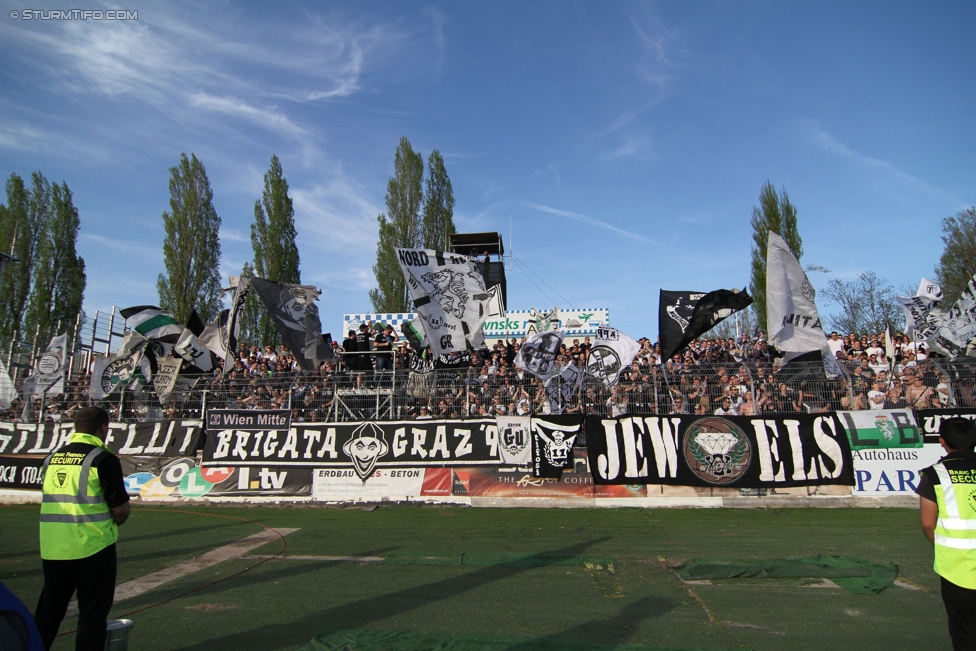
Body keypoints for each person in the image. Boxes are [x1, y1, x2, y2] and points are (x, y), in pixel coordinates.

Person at [34, 406, 131, 651]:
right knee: (92, 616)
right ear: (103, 428)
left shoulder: (51, 458)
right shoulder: (103, 458)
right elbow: (120, 510)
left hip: (54, 548)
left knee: (48, 613)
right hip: (93, 547)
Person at [916, 417, 976, 650]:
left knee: (965, 634)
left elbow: (928, 524)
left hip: (956, 568)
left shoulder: (935, 475)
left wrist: (943, 546)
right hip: (956, 566)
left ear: (942, 441)